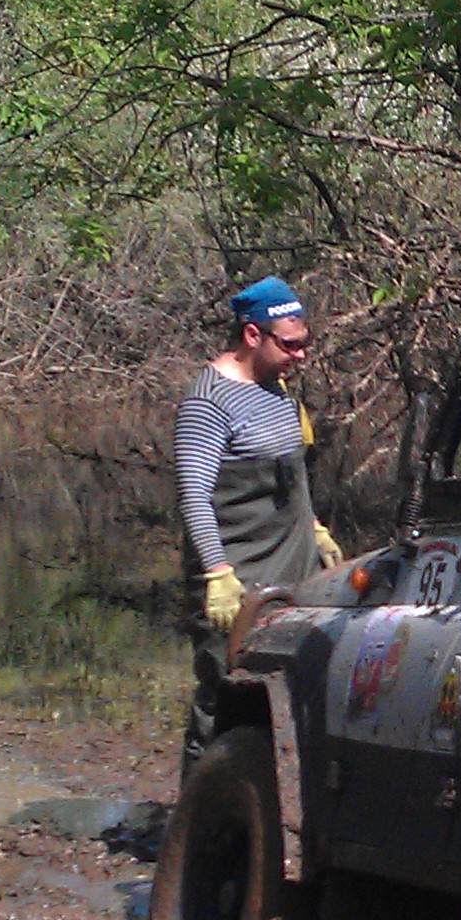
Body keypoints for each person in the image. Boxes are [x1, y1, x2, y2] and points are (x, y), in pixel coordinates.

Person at [173, 275, 340, 765]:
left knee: (294, 694)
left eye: (305, 343)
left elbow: (293, 471)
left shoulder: (277, 391)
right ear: (252, 335)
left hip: (295, 568)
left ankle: (273, 803)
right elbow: (194, 495)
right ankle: (199, 808)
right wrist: (217, 574)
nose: (301, 355)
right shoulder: (208, 402)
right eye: (289, 344)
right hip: (237, 574)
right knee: (223, 699)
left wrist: (314, 529)